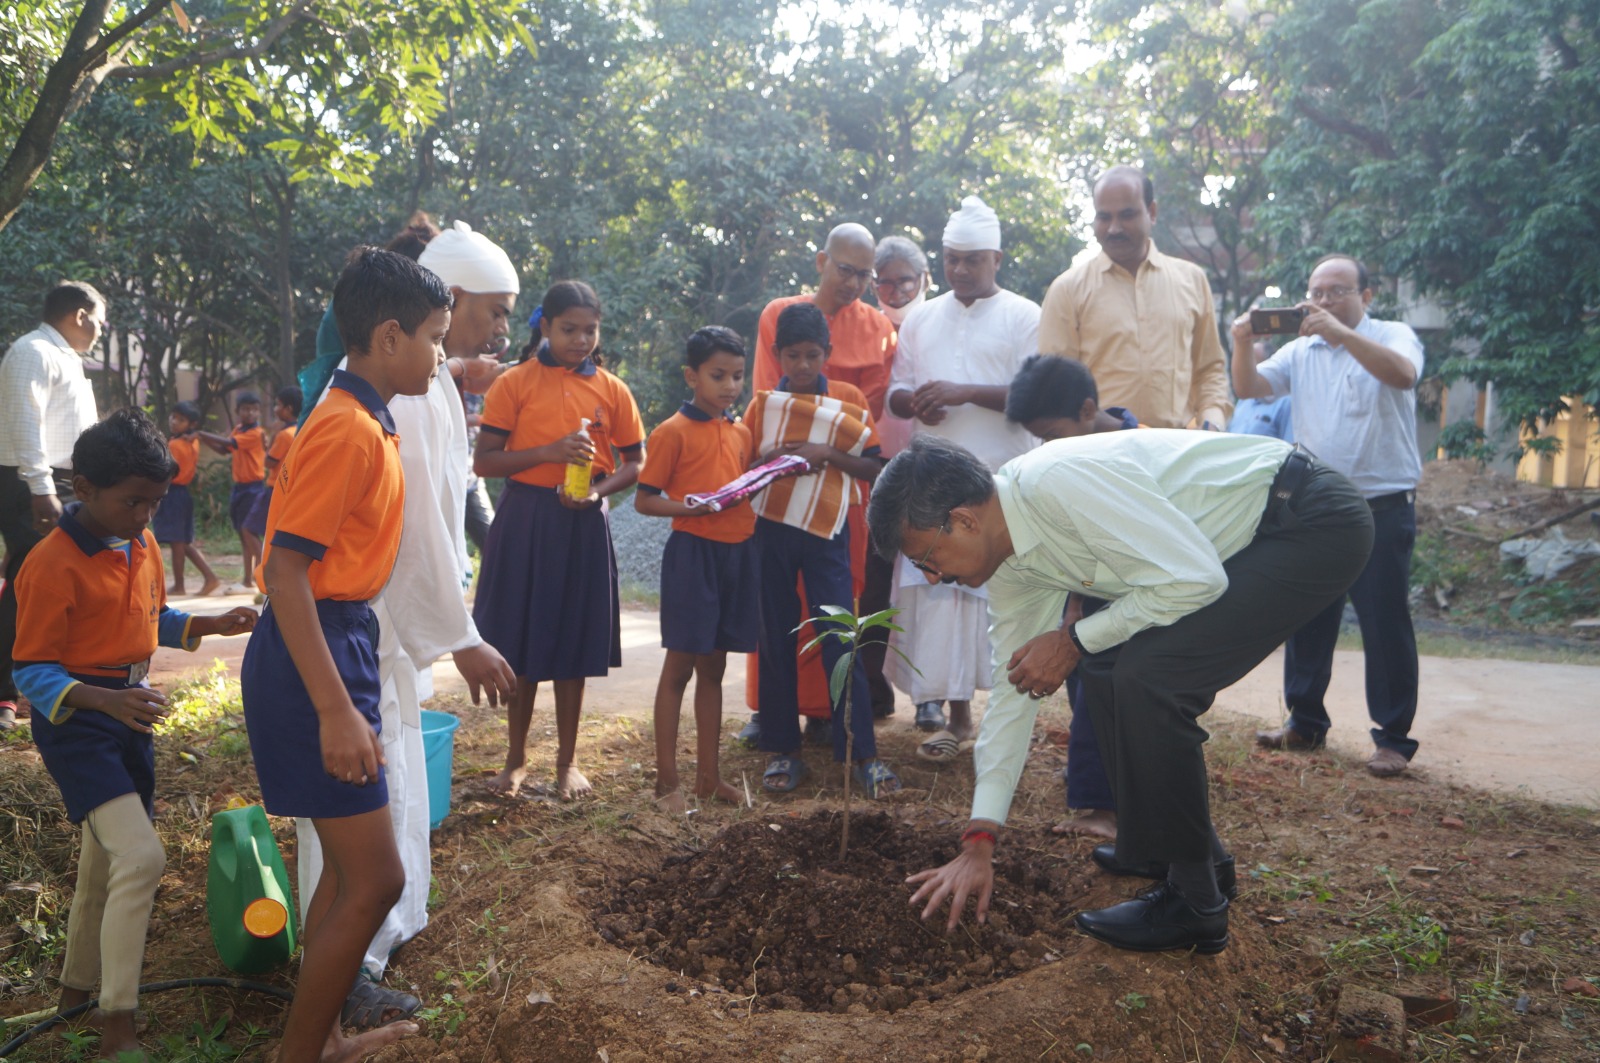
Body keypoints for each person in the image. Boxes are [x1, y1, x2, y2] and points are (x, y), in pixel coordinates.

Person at [875, 431, 1373, 953]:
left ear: (965, 520)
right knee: (1109, 666)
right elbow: (1013, 688)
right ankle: (1183, 854)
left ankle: (1196, 903)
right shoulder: (1013, 563)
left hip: (1306, 520)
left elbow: (1195, 580)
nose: (931, 578)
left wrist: (1072, 639)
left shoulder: (1057, 484)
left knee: (1150, 677)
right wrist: (980, 837)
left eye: (927, 557)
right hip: (1245, 542)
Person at [293, 222, 519, 1029]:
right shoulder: (391, 406)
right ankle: (342, 976)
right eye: (491, 312)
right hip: (356, 636)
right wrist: (460, 633)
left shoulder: (422, 385)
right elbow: (417, 529)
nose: (499, 330)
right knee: (361, 817)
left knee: (378, 808)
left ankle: (354, 958)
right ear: (442, 307)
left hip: (372, 635)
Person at [240, 247, 450, 1061]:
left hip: (339, 639)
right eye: (435, 337)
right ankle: (297, 1055)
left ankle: (320, 1036)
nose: (442, 354)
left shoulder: (369, 414)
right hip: (311, 652)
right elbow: (286, 573)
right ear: (389, 336)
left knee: (343, 870)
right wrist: (335, 707)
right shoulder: (345, 427)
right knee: (378, 879)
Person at [13, 408, 255, 1058]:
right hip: (79, 725)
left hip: (127, 715)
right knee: (143, 857)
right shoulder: (50, 563)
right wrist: (105, 700)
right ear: (84, 487)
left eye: (155, 501)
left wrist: (209, 625)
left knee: (105, 864)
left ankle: (75, 992)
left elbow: (153, 614)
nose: (145, 515)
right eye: (132, 501)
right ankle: (117, 1020)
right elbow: (29, 669)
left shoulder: (138, 541)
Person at [1231, 254, 1425, 777]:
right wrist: (1242, 342)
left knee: (1383, 622)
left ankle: (1392, 739)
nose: (1322, 301)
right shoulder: (1301, 349)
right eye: (1315, 292)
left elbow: (1403, 376)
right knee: (1309, 614)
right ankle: (1305, 721)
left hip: (1383, 504)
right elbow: (1249, 388)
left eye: (1337, 291)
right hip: (1318, 503)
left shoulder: (1394, 334)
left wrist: (1342, 331)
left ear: (1367, 295)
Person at [473, 281, 645, 800]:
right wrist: (549, 450)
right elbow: (485, 462)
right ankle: (516, 760)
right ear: (544, 326)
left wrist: (597, 493)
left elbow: (636, 461)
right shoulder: (514, 383)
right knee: (521, 644)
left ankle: (567, 763)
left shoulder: (613, 389)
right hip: (526, 520)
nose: (580, 339)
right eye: (569, 329)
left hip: (582, 523)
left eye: (590, 330)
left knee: (573, 642)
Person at [885, 195, 1039, 752]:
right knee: (944, 595)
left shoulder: (1027, 316)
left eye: (972, 259)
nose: (960, 270)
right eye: (951, 259)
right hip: (935, 486)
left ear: (996, 258)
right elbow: (896, 389)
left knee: (1003, 601)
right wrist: (914, 406)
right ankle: (956, 719)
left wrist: (966, 392)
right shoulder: (922, 317)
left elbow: (1036, 396)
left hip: (1001, 486)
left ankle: (1005, 721)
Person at [744, 222, 899, 741]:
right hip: (782, 483)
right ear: (820, 261)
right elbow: (771, 402)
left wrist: (831, 448)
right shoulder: (777, 315)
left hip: (842, 492)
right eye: (844, 269)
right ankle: (772, 716)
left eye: (863, 274)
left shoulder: (879, 327)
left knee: (835, 607)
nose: (853, 282)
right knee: (776, 609)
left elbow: (866, 414)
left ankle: (833, 715)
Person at [1002, 355, 1138, 838]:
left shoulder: (1135, 449)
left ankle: (1105, 805)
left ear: (1086, 410)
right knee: (1087, 689)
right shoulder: (1069, 455)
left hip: (1137, 592)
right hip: (1083, 593)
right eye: (1040, 440)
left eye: (1052, 436)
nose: (1047, 448)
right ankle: (1100, 782)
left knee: (1108, 684)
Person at [635, 326, 759, 812]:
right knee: (678, 670)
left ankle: (710, 778)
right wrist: (690, 509)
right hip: (693, 557)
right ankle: (667, 783)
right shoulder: (671, 433)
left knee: (715, 666)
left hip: (738, 554)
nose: (730, 386)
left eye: (737, 377)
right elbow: (646, 501)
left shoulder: (741, 432)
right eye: (718, 375)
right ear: (691, 376)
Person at [1038, 165, 1231, 431]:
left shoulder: (1192, 280)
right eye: (1104, 217)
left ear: (1151, 212)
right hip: (1101, 455)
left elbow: (1209, 370)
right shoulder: (1068, 290)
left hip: (1178, 453)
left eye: (1127, 215)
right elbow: (1055, 389)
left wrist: (1213, 425)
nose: (1114, 228)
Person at [0, 281, 104, 731]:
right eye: (100, 318)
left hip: (62, 481)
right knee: (28, 582)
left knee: (48, 580)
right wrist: (41, 488)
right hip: (34, 482)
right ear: (80, 314)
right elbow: (26, 423)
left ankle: (51, 680)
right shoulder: (33, 351)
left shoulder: (64, 357)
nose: (102, 329)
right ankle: (6, 693)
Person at [198, 391, 266, 593]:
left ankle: (264, 576)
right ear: (238, 411)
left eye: (254, 410)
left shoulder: (256, 433)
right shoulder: (238, 429)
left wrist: (201, 434)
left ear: (259, 412)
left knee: (250, 532)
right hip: (240, 487)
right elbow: (224, 450)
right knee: (243, 534)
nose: (250, 413)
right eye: (246, 409)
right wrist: (204, 439)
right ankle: (248, 580)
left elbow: (230, 444)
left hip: (253, 487)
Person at [151, 400, 222, 597]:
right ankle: (209, 577)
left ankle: (182, 584)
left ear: (191, 425)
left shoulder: (174, 444)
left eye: (181, 420)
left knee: (177, 542)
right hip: (183, 493)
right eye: (174, 417)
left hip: (173, 492)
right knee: (181, 542)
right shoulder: (192, 442)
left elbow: (165, 470)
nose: (174, 421)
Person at [240, 386, 304, 554]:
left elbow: (269, 462)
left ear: (288, 409)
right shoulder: (299, 430)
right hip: (290, 488)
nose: (275, 409)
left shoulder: (283, 434)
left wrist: (274, 435)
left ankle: (264, 569)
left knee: (248, 529)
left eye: (277, 405)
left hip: (274, 487)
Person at [1228, 341, 1293, 442]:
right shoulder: (1243, 401)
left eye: (1250, 361)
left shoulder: (1285, 402)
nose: (1244, 368)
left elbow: (1290, 447)